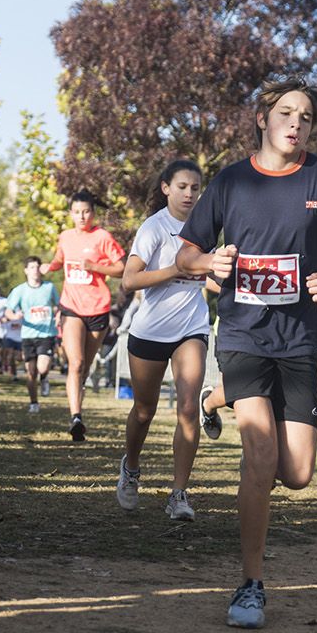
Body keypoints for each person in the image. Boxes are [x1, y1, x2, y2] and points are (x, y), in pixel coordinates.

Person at [176, 77, 317, 628]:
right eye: (286, 113)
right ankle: (249, 584)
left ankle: (218, 409)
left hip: (300, 341)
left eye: (307, 118)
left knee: (296, 473)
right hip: (244, 334)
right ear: (263, 120)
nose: (296, 123)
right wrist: (210, 265)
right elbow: (186, 254)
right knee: (261, 456)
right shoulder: (231, 182)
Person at [117, 159, 218, 521]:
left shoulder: (206, 229)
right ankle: (130, 468)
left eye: (195, 188)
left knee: (189, 408)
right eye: (182, 187)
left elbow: (209, 277)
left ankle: (179, 494)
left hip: (191, 326)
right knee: (144, 411)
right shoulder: (154, 227)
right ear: (166, 188)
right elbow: (129, 281)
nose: (189, 194)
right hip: (151, 331)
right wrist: (176, 269)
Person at [45, 191, 124, 442]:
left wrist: (95, 267)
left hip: (98, 308)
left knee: (85, 367)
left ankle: (78, 411)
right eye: (77, 212)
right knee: (76, 363)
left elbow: (122, 268)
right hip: (71, 306)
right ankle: (75, 417)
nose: (81, 216)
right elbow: (59, 258)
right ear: (70, 213)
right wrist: (48, 267)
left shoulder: (102, 237)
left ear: (93, 213)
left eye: (86, 211)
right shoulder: (65, 237)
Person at [6, 256, 59, 414]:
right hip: (28, 335)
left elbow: (59, 305)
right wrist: (14, 316)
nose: (35, 270)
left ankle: (44, 377)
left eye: (37, 267)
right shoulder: (20, 290)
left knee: (42, 368)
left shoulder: (49, 287)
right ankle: (34, 403)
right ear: (26, 271)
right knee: (31, 372)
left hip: (46, 334)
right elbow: (9, 310)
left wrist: (57, 316)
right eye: (32, 267)